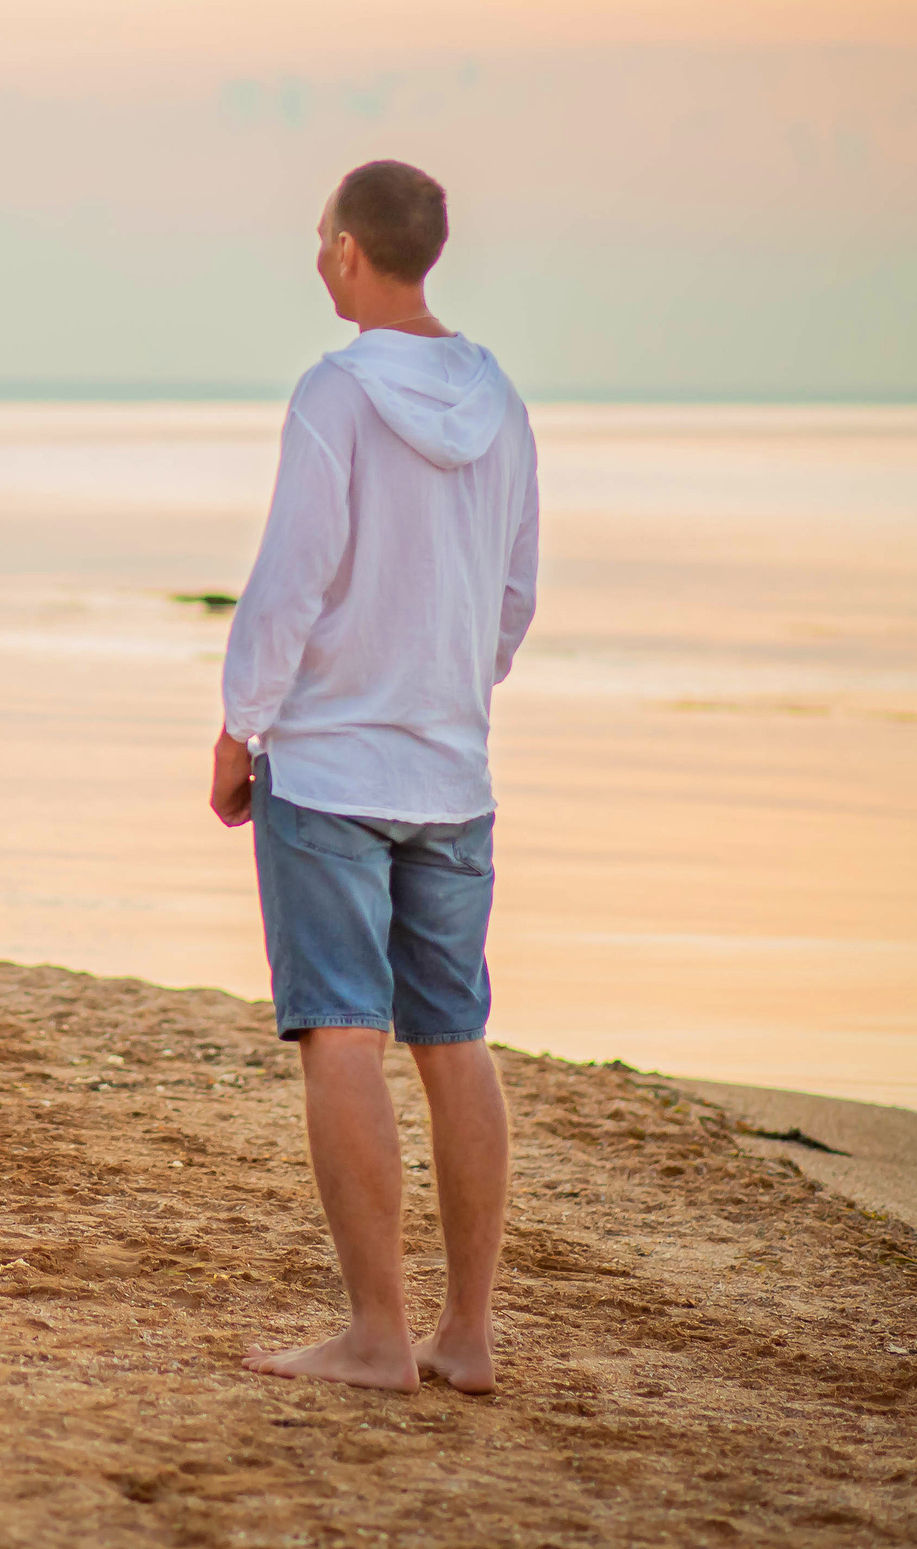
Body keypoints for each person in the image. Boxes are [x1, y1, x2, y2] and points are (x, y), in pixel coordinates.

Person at [210, 160, 539, 1394]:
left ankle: (376, 1337)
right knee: (452, 1037)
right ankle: (467, 1334)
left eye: (317, 237)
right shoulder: (498, 398)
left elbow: (293, 576)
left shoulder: (334, 394)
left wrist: (243, 726)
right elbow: (513, 592)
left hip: (334, 765)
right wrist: (450, 693)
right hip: (451, 769)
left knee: (340, 1033)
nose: (315, 256)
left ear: (349, 249)